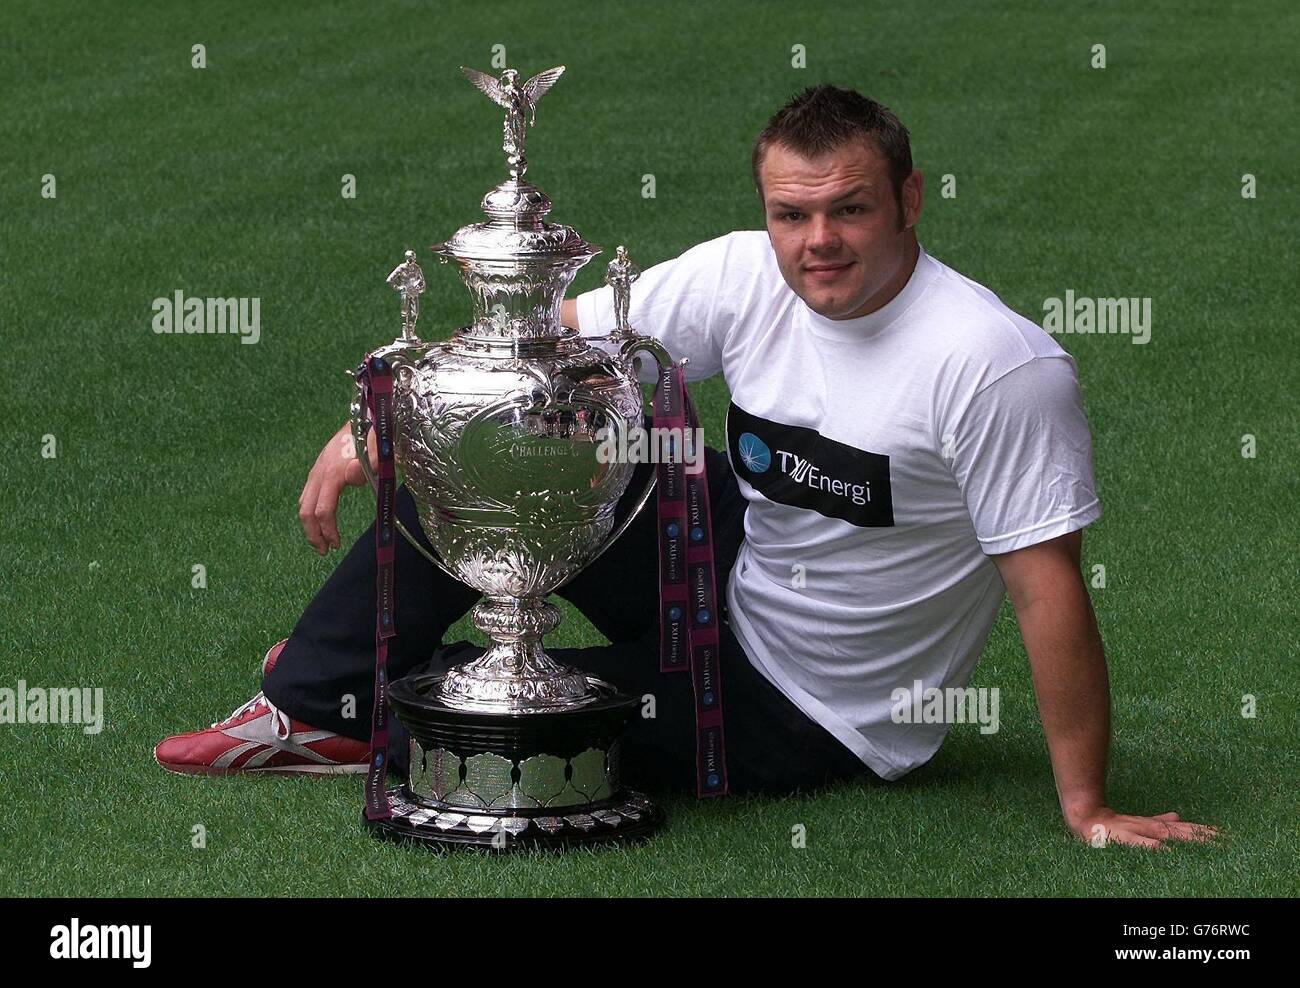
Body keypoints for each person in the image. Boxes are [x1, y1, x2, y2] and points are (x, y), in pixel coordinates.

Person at [155, 84, 1217, 850]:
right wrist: (382, 419)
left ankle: (367, 716)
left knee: (483, 739)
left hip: (815, 700)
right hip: (738, 559)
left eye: (848, 208)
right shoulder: (744, 273)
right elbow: (537, 347)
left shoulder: (991, 365)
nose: (818, 243)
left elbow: (1047, 594)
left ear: (908, 198)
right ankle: (308, 701)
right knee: (514, 430)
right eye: (791, 213)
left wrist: (1087, 804)